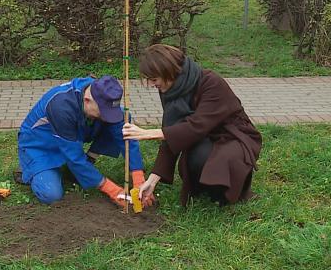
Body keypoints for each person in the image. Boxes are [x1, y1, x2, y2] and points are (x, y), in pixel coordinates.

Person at [122, 44, 262, 206]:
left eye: (154, 79)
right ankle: (208, 187)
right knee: (194, 160)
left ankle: (232, 190)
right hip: (204, 136)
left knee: (218, 160)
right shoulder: (170, 89)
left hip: (234, 136)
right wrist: (152, 181)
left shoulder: (211, 82)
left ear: (169, 71)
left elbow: (196, 126)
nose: (152, 85)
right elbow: (173, 133)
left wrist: (148, 133)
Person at [16, 75, 149, 206]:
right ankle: (31, 169)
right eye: (103, 112)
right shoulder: (61, 106)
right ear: (87, 100)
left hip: (71, 134)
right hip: (40, 145)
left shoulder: (102, 93)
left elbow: (125, 135)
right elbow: (73, 156)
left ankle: (85, 165)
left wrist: (137, 174)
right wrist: (110, 189)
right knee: (51, 195)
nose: (106, 116)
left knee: (119, 118)